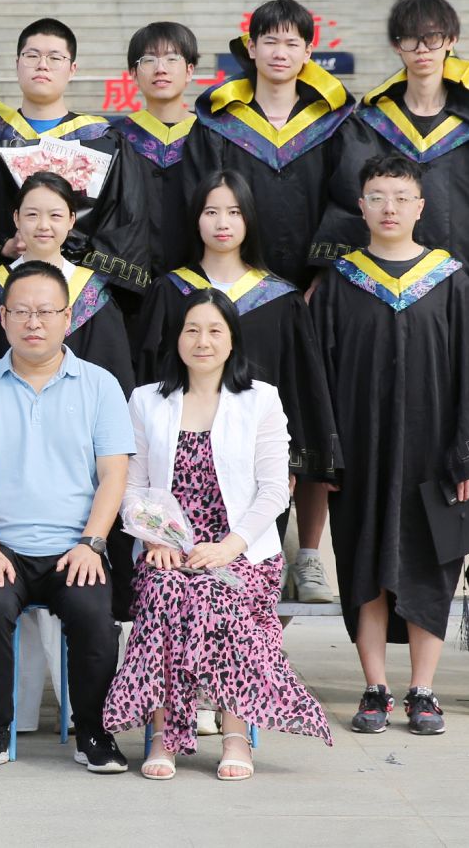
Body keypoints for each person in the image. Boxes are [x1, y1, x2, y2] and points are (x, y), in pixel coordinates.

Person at [310, 154, 469, 737]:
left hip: (438, 456)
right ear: (361, 206)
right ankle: (375, 687)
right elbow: (318, 377)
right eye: (378, 197)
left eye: (401, 198)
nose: (390, 208)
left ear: (420, 207)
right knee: (365, 565)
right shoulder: (339, 283)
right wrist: (327, 453)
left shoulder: (452, 282)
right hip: (362, 453)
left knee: (432, 566)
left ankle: (423, 690)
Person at [105, 290, 333, 779]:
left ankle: (235, 735)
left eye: (214, 331)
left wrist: (230, 546)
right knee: (163, 595)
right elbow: (133, 486)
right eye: (192, 330)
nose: (202, 341)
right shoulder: (146, 400)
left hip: (241, 552)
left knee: (220, 598)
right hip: (168, 550)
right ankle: (164, 735)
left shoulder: (260, 400)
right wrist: (155, 539)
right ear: (177, 338)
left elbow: (275, 490)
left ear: (232, 341)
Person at [0, 261, 133, 775]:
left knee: (95, 616)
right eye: (22, 312)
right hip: (2, 546)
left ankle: (93, 731)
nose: (34, 322)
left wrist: (92, 544)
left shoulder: (100, 385)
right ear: (3, 317)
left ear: (67, 318)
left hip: (76, 546)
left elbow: (113, 476)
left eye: (46, 312)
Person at [136, 171, 340, 605]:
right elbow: (150, 376)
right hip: (180, 467)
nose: (222, 222)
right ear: (195, 219)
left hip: (256, 461)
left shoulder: (280, 299)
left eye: (234, 212)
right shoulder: (170, 291)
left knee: (252, 581)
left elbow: (300, 384)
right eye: (211, 212)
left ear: (249, 220)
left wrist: (296, 458)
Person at [318, 0, 469, 327]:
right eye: (410, 38)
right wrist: (327, 277)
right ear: (396, 46)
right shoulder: (370, 125)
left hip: (461, 289)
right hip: (380, 290)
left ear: (451, 40)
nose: (422, 49)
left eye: (432, 37)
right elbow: (347, 202)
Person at [0, 18, 152, 294]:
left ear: (72, 69)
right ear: (17, 63)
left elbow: (126, 222)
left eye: (55, 58)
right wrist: (4, 246)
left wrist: (76, 259)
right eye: (32, 56)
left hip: (81, 292)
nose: (42, 65)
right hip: (3, 291)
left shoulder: (104, 141)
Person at [180, 0, 353, 288]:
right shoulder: (218, 125)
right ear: (251, 47)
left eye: (291, 44)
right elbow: (200, 201)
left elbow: (347, 202)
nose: (280, 53)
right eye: (270, 42)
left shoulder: (334, 125)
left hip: (316, 285)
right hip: (233, 283)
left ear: (307, 52)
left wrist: (323, 276)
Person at [0, 172, 136, 395]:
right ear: (16, 218)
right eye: (32, 215)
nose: (43, 225)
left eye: (55, 215)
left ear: (71, 220)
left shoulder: (92, 294)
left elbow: (112, 375)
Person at [108, 21, 201, 290]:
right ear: (134, 74)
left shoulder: (209, 137)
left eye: (172, 58)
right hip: (128, 284)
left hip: (199, 280)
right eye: (148, 60)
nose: (161, 68)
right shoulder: (114, 137)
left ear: (189, 70)